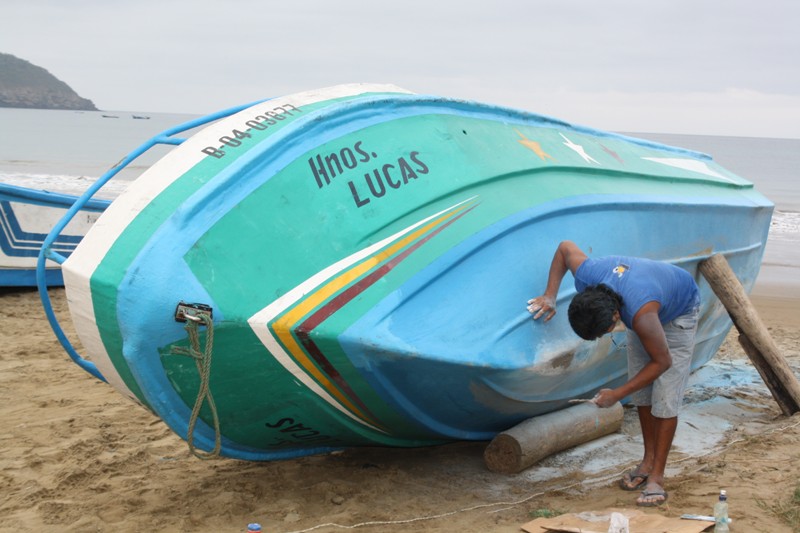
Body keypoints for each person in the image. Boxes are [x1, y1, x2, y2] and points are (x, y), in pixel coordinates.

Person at [527, 240, 700, 507]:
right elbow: (564, 248)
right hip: (646, 296)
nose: (603, 336)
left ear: (616, 315)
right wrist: (550, 295)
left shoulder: (640, 313)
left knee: (665, 397)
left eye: (604, 332)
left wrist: (617, 394)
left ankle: (657, 477)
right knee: (642, 392)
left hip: (678, 309)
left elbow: (663, 361)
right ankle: (647, 462)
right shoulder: (587, 275)